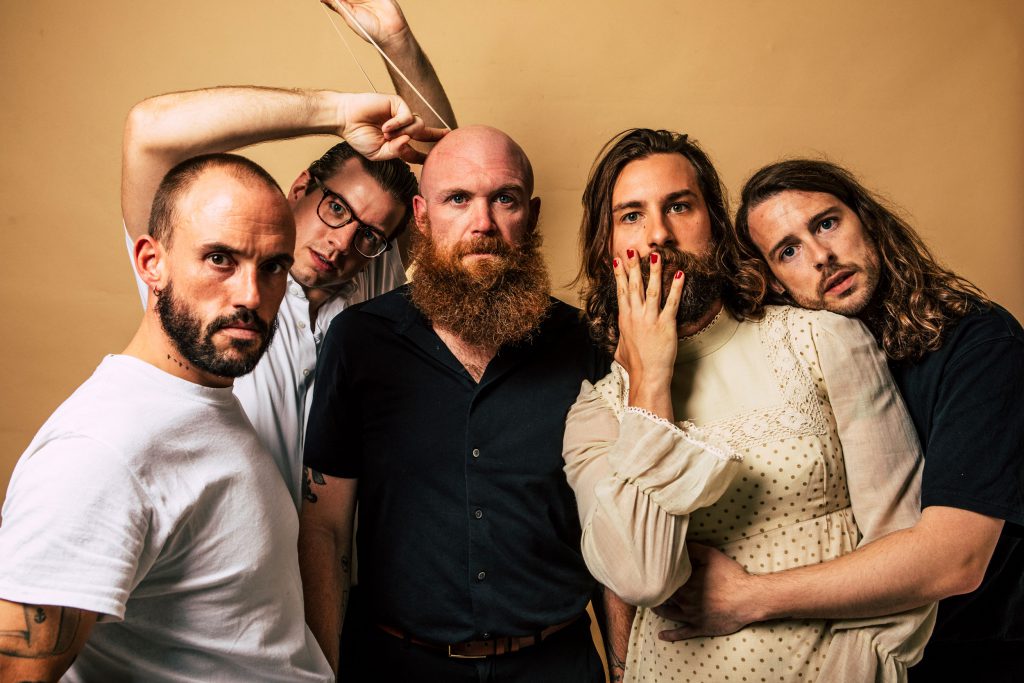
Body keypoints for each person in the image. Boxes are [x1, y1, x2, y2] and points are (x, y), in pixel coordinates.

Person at [562, 129, 934, 682]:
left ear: (714, 223)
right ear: (606, 248)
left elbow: (904, 548)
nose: (659, 233)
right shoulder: (596, 414)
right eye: (632, 216)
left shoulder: (822, 340)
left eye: (680, 206)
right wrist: (651, 380)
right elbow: (642, 576)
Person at [657, 159, 1024, 681]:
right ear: (774, 281)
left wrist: (750, 597)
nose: (821, 256)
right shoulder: (804, 360)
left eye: (827, 223)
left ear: (866, 219)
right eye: (788, 251)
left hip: (976, 653)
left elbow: (955, 560)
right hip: (854, 654)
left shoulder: (979, 345)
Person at [0, 154, 335, 681]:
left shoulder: (201, 398)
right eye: (220, 259)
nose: (251, 295)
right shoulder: (100, 449)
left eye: (273, 266)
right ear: (151, 262)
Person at [299, 125, 608, 681]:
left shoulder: (583, 342)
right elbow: (325, 530)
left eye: (504, 199)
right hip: (396, 667)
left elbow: (614, 521)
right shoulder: (359, 340)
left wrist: (629, 666)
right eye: (457, 199)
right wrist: (323, 673)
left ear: (532, 215)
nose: (482, 223)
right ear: (422, 216)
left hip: (555, 662)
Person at [121, 0, 455, 510]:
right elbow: (149, 130)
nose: (341, 243)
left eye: (369, 234)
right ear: (301, 187)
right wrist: (336, 114)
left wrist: (395, 40)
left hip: (333, 553)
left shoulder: (371, 279)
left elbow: (451, 175)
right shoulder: (211, 277)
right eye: (336, 208)